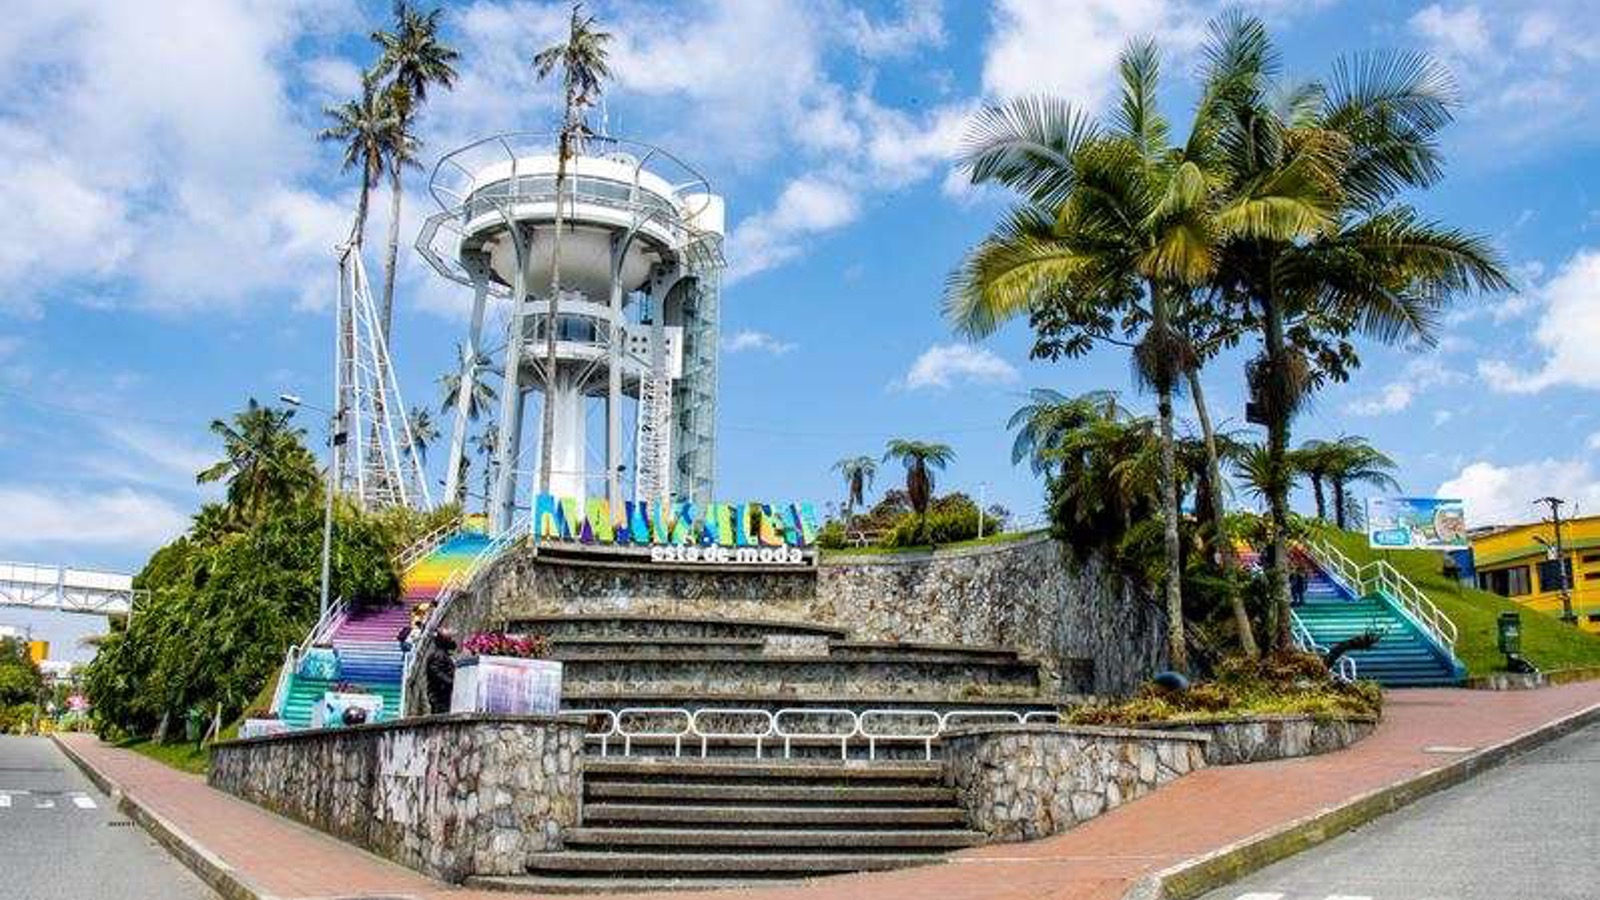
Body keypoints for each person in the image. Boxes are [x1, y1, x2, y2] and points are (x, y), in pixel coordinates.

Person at [424, 631, 457, 715]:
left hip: (444, 695)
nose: (452, 641)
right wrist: (452, 682)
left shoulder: (444, 655)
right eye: (450, 639)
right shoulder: (438, 656)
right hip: (440, 696)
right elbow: (437, 673)